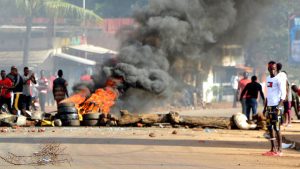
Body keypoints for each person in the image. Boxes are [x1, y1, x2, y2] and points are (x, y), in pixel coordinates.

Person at [262, 61, 286, 156]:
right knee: (269, 127)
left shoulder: (279, 79)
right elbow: (268, 95)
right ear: (268, 69)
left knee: (277, 128)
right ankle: (273, 148)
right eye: (270, 68)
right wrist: (265, 108)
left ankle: (280, 150)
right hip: (269, 107)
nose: (272, 70)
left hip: (277, 106)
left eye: (273, 69)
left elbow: (283, 94)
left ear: (276, 69)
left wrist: (279, 106)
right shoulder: (268, 79)